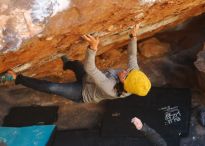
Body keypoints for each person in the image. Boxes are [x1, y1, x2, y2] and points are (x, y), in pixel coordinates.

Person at [4, 24, 151, 103]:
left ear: (125, 85)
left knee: (52, 87)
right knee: (75, 65)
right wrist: (133, 35)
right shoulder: (134, 75)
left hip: (82, 93)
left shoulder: (110, 88)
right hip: (89, 79)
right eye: (130, 71)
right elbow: (132, 56)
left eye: (126, 75)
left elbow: (91, 68)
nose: (126, 71)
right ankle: (67, 64)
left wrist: (93, 48)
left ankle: (16, 78)